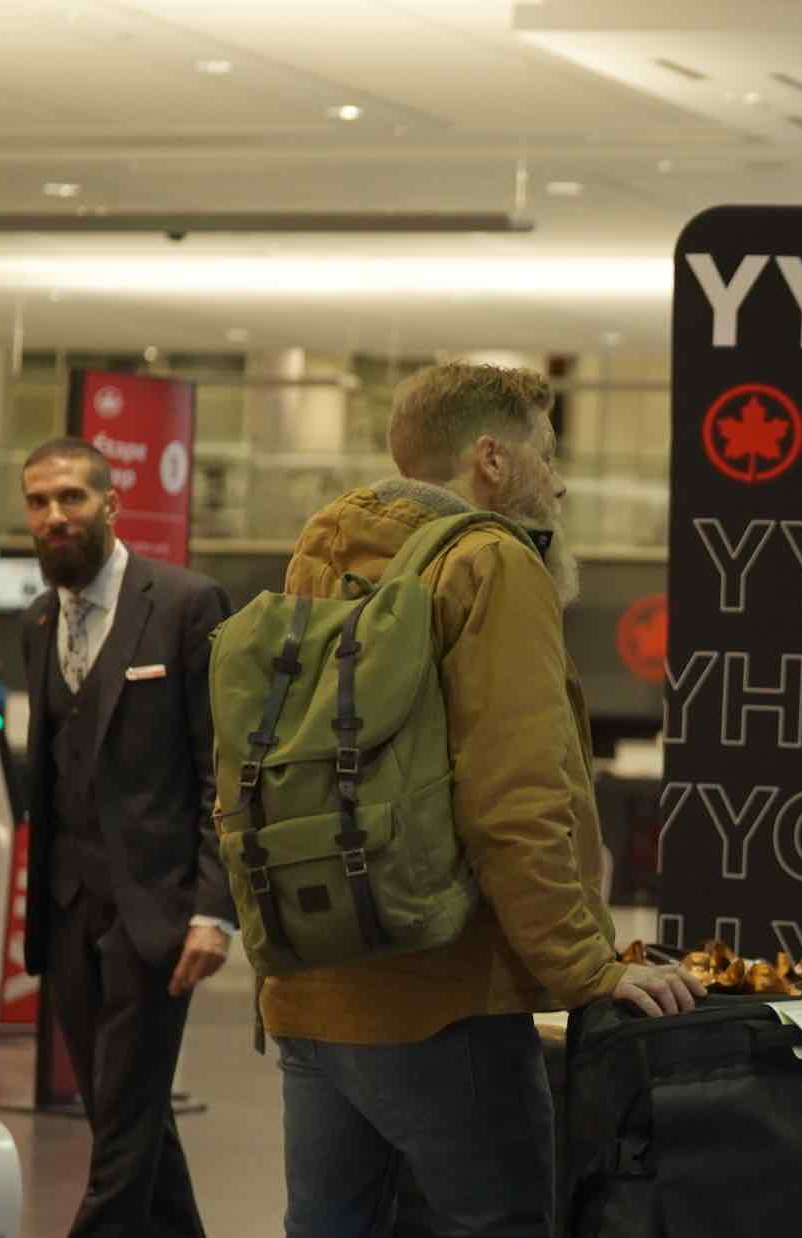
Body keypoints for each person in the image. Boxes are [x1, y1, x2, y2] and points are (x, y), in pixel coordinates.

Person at [264, 361, 703, 1237]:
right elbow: (518, 798)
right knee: (500, 1221)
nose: (563, 479)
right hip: (444, 993)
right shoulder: (491, 562)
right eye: (548, 452)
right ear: (493, 462)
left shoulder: (323, 547)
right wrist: (588, 968)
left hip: (313, 979)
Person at [18, 436, 235, 1238]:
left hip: (158, 918)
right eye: (38, 502)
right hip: (71, 913)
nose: (54, 516)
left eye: (71, 497)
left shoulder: (184, 603)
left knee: (122, 1142)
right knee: (124, 1118)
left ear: (110, 503)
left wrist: (216, 911)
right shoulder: (40, 619)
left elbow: (225, 767)